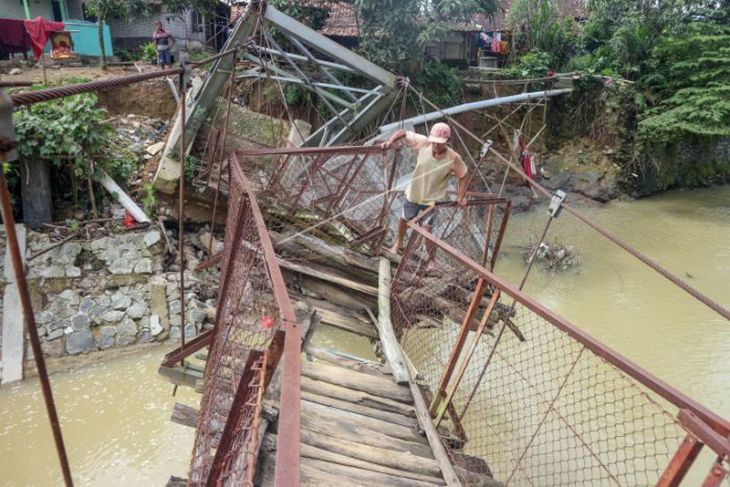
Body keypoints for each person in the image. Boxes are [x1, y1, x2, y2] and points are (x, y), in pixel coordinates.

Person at [381, 122, 468, 255]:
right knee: (404, 220)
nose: (436, 145)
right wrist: (390, 141)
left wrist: (460, 197)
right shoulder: (423, 142)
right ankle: (398, 243)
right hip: (415, 194)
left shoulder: (454, 158)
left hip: (432, 201)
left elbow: (463, 176)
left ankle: (430, 258)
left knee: (427, 230)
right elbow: (403, 132)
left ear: (448, 141)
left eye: (440, 142)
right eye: (434, 141)